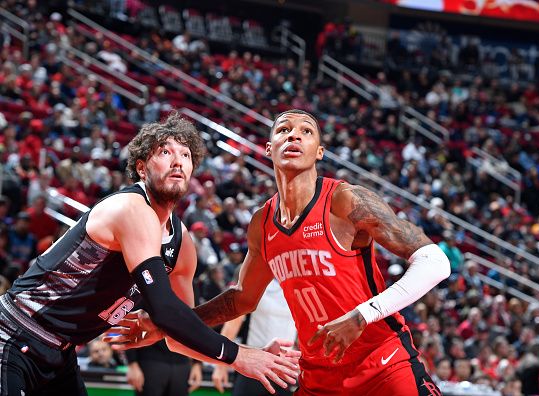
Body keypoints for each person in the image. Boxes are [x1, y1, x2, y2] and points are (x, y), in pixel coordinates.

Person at [110, 109, 450, 395]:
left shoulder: (345, 201)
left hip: (383, 363)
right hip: (318, 377)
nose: (294, 136)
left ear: (319, 151)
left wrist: (364, 314)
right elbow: (241, 299)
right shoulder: (263, 222)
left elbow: (435, 262)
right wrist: (170, 325)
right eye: (284, 130)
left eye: (306, 131)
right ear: (269, 147)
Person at [0, 112, 299, 395]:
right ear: (142, 168)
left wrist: (256, 357)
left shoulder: (182, 245)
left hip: (60, 353)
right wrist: (239, 356)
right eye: (166, 153)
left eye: (186, 156)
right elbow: (166, 311)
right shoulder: (132, 208)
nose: (178, 162)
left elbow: (180, 334)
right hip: (14, 333)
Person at [211, 279, 297, 396]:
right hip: (254, 364)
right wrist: (221, 365)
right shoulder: (258, 281)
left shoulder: (301, 284)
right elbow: (235, 321)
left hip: (286, 369)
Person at [125, 341, 203, 396]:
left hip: (181, 362)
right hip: (150, 360)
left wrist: (197, 363)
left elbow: (198, 325)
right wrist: (132, 363)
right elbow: (131, 322)